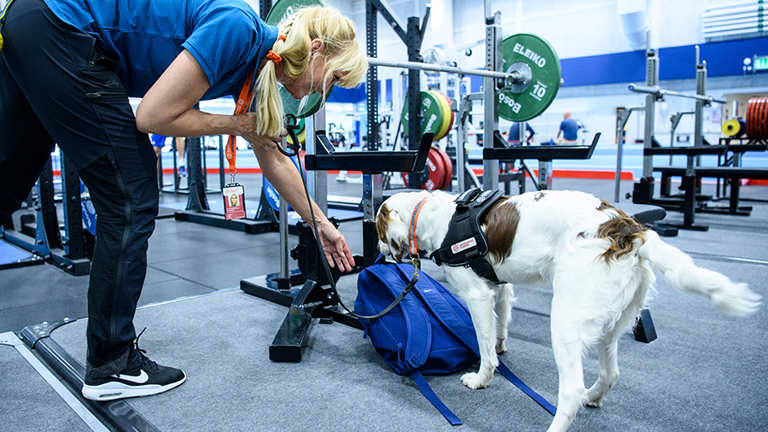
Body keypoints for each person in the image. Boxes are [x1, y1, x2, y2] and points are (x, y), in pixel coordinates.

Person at [0, 0, 366, 401]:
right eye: (333, 79)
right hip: (61, 25)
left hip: (32, 21)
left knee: (8, 177)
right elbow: (153, 117)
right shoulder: (239, 28)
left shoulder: (261, 72)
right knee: (131, 194)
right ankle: (111, 365)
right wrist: (237, 125)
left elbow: (274, 159)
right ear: (316, 50)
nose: (324, 92)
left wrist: (322, 225)